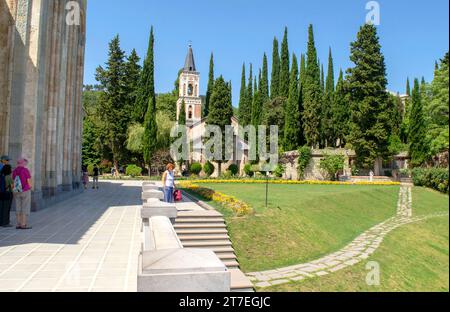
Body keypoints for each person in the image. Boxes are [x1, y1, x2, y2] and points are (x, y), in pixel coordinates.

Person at [12, 158, 32, 230]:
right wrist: (30, 187)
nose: (26, 164)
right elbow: (28, 180)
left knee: (18, 207)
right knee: (25, 207)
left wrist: (14, 189)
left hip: (17, 191)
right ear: (23, 163)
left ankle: (18, 223)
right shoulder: (25, 170)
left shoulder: (14, 171)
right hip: (25, 190)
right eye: (25, 163)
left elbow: (13, 180)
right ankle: (23, 224)